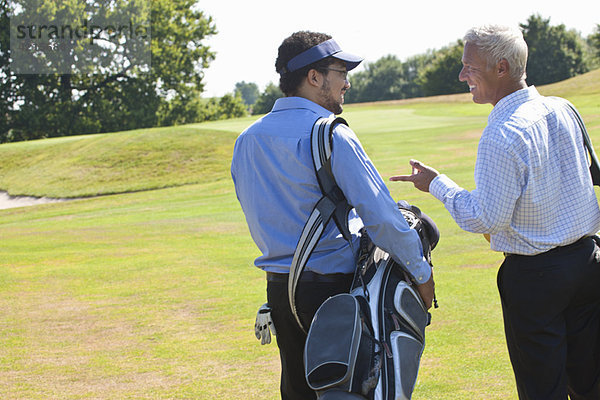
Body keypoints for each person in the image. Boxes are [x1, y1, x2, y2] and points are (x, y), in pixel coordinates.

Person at [391, 24, 600, 400]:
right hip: (588, 263)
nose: (461, 75)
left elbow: (485, 219)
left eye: (469, 66)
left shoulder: (503, 131)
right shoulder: (562, 108)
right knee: (591, 383)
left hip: (536, 278)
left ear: (501, 67)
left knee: (542, 390)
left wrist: (437, 184)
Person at [231, 31, 435, 400]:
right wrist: (422, 273)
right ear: (314, 77)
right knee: (350, 391)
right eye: (340, 71)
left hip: (280, 289)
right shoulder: (330, 133)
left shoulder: (247, 139)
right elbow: (382, 218)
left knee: (300, 392)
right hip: (334, 290)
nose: (347, 82)